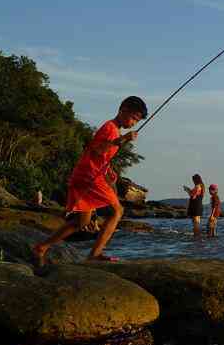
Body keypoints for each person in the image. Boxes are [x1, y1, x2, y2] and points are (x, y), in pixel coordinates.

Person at [32, 95, 147, 266]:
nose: (133, 124)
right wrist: (123, 139)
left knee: (81, 222)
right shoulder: (110, 128)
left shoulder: (113, 130)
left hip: (86, 174)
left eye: (136, 121)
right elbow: (97, 150)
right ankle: (95, 254)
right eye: (133, 118)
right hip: (90, 176)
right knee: (117, 211)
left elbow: (99, 156)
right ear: (123, 110)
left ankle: (41, 247)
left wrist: (109, 170)